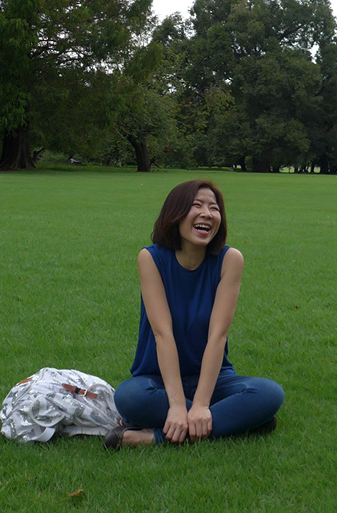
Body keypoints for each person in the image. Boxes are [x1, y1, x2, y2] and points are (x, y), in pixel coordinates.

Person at [105, 179, 284, 448]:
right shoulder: (151, 259)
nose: (207, 214)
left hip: (214, 380)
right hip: (157, 379)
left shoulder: (229, 260)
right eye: (196, 205)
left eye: (214, 208)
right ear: (175, 214)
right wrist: (177, 405)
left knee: (269, 394)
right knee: (129, 398)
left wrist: (200, 404)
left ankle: (153, 437)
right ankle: (236, 422)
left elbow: (218, 336)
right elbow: (162, 334)